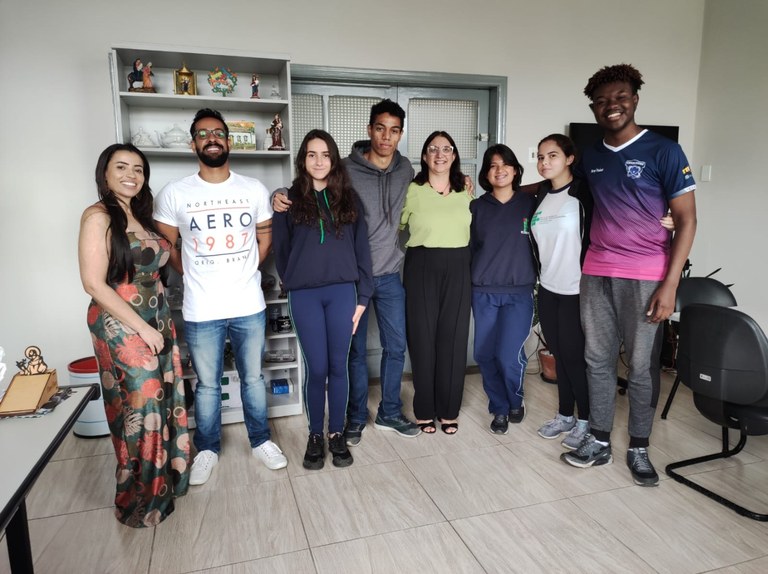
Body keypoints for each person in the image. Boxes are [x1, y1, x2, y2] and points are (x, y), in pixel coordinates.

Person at [561, 64, 697, 486]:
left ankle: (639, 446)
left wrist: (670, 285)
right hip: (596, 271)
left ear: (635, 99)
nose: (611, 106)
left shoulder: (665, 151)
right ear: (593, 108)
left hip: (646, 276)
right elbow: (558, 183)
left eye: (620, 97)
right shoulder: (592, 155)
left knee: (641, 366)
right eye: (601, 101)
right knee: (597, 359)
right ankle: (600, 440)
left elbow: (687, 220)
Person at [273, 99, 421, 444]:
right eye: (380, 128)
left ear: (400, 134)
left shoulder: (406, 170)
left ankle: (389, 412)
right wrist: (278, 194)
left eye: (394, 130)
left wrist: (462, 180)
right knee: (351, 354)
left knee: (396, 347)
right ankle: (353, 417)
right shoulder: (345, 168)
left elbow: (431, 187)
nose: (386, 136)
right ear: (370, 130)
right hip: (350, 281)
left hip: (388, 274)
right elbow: (298, 201)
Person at [154, 108, 287, 486]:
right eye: (202, 133)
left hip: (248, 305)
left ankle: (261, 441)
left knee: (253, 379)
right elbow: (165, 244)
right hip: (202, 308)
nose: (211, 138)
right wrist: (189, 272)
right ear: (193, 143)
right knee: (208, 385)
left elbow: (265, 237)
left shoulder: (252, 189)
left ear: (228, 141)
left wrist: (249, 268)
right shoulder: (175, 193)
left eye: (217, 133)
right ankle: (208, 449)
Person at [78, 143, 190, 526]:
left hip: (157, 317)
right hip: (121, 323)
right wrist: (141, 327)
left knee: (165, 400)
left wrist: (158, 322)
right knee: (140, 409)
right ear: (105, 173)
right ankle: (140, 503)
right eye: (122, 167)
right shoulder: (97, 216)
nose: (131, 175)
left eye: (138, 169)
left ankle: (166, 486)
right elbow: (93, 283)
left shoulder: (141, 214)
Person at [272, 130, 373, 469]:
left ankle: (336, 433)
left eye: (325, 154)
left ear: (334, 160)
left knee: (338, 366)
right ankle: (315, 435)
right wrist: (294, 280)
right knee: (317, 369)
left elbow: (362, 251)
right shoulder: (287, 201)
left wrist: (363, 297)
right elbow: (281, 251)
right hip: (304, 296)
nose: (319, 161)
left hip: (343, 293)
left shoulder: (350, 200)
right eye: (312, 154)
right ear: (303, 159)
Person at [400, 131, 472, 434]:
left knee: (453, 339)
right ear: (424, 156)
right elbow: (394, 225)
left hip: (459, 266)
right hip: (421, 265)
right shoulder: (412, 190)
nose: (440, 154)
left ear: (453, 155)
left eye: (446, 149)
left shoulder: (466, 190)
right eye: (433, 149)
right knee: (422, 338)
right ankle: (424, 409)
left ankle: (448, 409)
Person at [470, 144, 536, 435]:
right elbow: (468, 249)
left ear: (515, 170)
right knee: (484, 354)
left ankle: (515, 400)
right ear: (486, 173)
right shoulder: (476, 207)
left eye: (505, 164)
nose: (499, 170)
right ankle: (499, 407)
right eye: (493, 165)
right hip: (483, 291)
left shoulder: (530, 204)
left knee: (508, 356)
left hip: (519, 293)